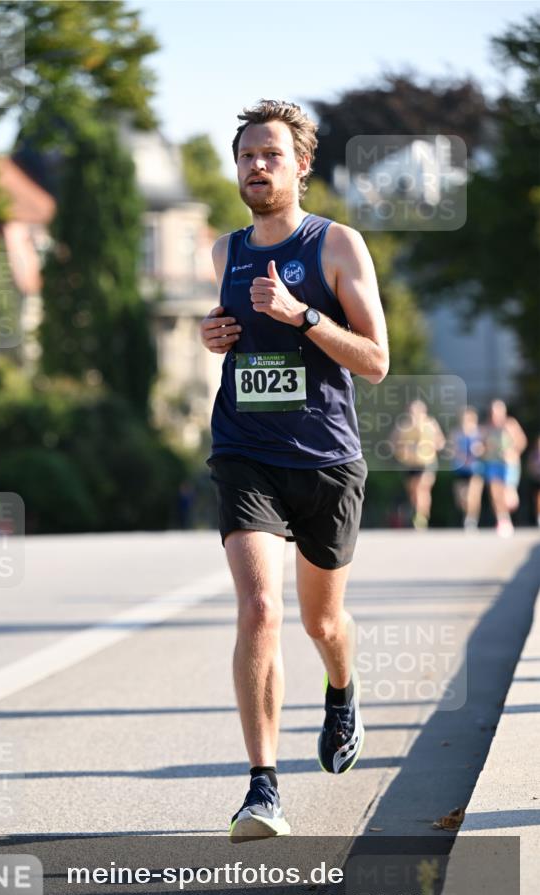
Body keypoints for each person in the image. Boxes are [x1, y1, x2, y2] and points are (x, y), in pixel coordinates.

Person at [199, 100, 389, 842]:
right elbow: (232, 341)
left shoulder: (336, 246)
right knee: (259, 610)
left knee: (320, 620)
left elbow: (375, 362)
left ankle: (341, 689)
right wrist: (214, 335)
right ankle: (261, 789)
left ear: (301, 165)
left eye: (271, 154)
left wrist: (300, 315)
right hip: (245, 451)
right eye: (247, 155)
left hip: (326, 459)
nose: (256, 166)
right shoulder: (223, 252)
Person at [469, 399, 528, 537]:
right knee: (496, 493)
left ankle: (509, 505)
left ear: (503, 412)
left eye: (498, 412)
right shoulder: (487, 427)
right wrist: (480, 449)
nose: (495, 415)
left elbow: (522, 441)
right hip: (492, 463)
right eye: (493, 412)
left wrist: (513, 451)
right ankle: (503, 520)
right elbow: (481, 445)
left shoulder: (510, 424)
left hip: (509, 464)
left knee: (508, 497)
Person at [390, 399, 445, 529]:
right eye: (412, 411)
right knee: (413, 492)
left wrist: (431, 446)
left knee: (422, 489)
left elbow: (440, 441)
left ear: (424, 412)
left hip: (427, 462)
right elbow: (392, 442)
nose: (414, 413)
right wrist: (401, 449)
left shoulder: (430, 424)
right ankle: (419, 512)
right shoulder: (403, 425)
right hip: (410, 463)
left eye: (417, 411)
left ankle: (421, 518)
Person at [447, 406, 484, 530]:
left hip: (475, 468)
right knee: (461, 498)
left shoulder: (479, 432)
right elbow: (450, 449)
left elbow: (485, 448)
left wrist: (479, 449)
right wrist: (455, 452)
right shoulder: (456, 433)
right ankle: (467, 514)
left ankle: (471, 519)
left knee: (473, 495)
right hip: (460, 468)